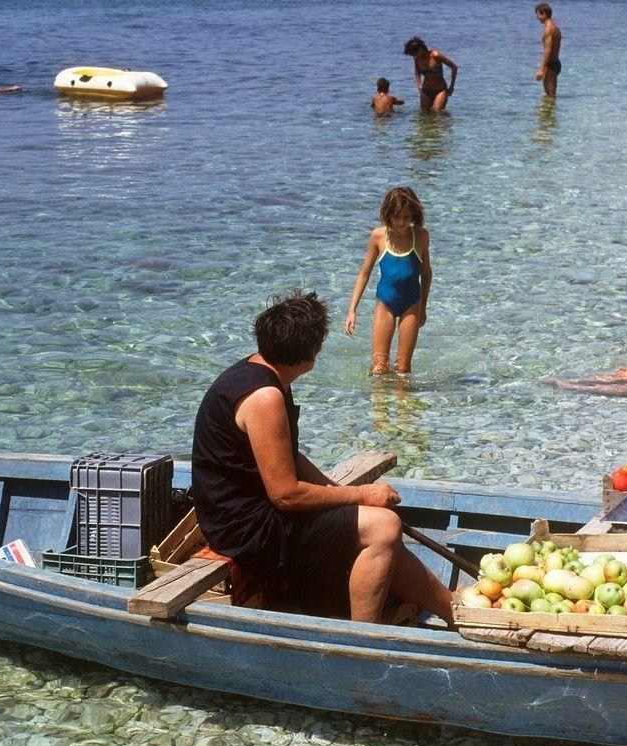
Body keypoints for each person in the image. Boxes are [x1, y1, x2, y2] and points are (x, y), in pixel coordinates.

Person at [192, 290, 454, 625]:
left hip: (250, 510)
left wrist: (336, 493)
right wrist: (362, 494)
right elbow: (285, 495)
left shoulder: (261, 369)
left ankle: (453, 610)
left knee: (372, 521)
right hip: (244, 528)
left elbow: (287, 454)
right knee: (385, 526)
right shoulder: (265, 397)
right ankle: (360, 640)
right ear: (309, 355)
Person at [344, 187, 433, 375]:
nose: (402, 222)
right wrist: (352, 310)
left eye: (407, 217)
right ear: (388, 214)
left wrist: (423, 306)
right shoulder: (378, 236)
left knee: (403, 368)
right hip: (385, 304)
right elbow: (364, 274)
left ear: (414, 216)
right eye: (397, 216)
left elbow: (426, 273)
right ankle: (379, 403)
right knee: (379, 367)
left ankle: (404, 403)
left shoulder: (421, 236)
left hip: (412, 304)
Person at [403, 36, 457, 112]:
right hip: (426, 90)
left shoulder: (435, 55)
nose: (414, 56)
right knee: (424, 114)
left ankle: (447, 122)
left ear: (421, 49)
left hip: (440, 90)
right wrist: (419, 85)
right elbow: (417, 71)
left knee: (436, 111)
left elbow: (454, 67)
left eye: (415, 53)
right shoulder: (416, 58)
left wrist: (451, 87)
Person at [535, 3, 562, 99]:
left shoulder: (548, 29)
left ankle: (551, 114)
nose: (537, 17)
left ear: (544, 14)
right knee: (549, 97)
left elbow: (548, 50)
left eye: (538, 14)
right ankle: (549, 113)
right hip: (555, 63)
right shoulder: (555, 27)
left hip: (551, 66)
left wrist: (541, 69)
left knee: (551, 97)